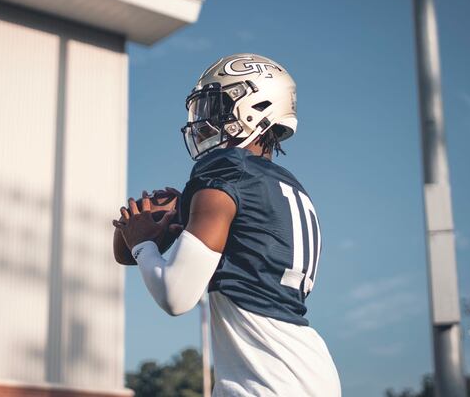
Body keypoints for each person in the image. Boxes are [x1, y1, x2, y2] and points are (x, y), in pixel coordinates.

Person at [113, 53, 341, 396]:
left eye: (215, 106)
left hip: (265, 382)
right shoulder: (286, 186)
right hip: (309, 372)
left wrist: (142, 242)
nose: (203, 120)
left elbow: (175, 295)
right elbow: (125, 254)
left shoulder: (225, 172)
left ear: (253, 107)